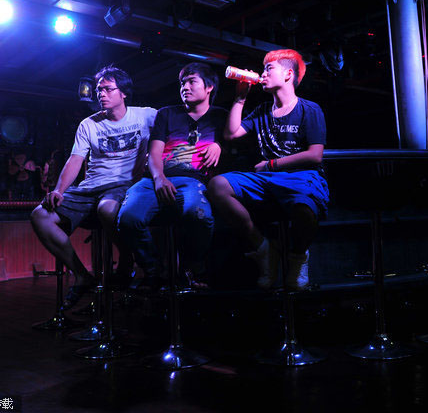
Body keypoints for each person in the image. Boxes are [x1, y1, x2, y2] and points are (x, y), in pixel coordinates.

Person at [30, 66, 156, 309]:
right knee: (40, 215)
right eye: (99, 90)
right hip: (90, 188)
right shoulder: (88, 124)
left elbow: (173, 128)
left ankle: (129, 263)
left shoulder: (146, 116)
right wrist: (58, 190)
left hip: (123, 185)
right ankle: (81, 274)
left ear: (124, 93)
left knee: (107, 209)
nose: (102, 94)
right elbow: (75, 159)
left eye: (108, 89)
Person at [208, 49, 329, 290]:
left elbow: (315, 155)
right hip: (266, 178)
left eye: (268, 69)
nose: (262, 74)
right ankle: (263, 247)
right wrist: (240, 99)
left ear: (288, 74)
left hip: (300, 176)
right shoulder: (262, 111)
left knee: (305, 208)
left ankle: (297, 257)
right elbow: (231, 134)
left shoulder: (309, 109)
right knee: (217, 185)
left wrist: (271, 164)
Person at [118, 63, 226, 290]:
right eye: (182, 83)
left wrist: (219, 145)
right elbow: (154, 153)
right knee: (128, 218)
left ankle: (191, 266)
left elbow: (235, 138)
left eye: (191, 81)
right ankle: (154, 270)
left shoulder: (220, 117)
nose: (185, 87)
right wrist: (158, 178)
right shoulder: (166, 114)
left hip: (194, 180)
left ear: (209, 87)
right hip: (155, 179)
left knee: (198, 215)